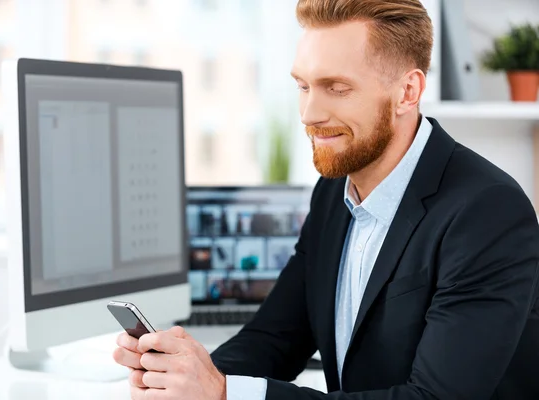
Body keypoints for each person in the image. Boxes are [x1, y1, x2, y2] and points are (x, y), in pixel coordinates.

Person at [112, 0, 539, 398]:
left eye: (336, 88)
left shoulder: (487, 211)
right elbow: (276, 337)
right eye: (303, 86)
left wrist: (224, 392)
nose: (309, 113)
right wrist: (189, 377)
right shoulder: (335, 190)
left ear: (407, 92)